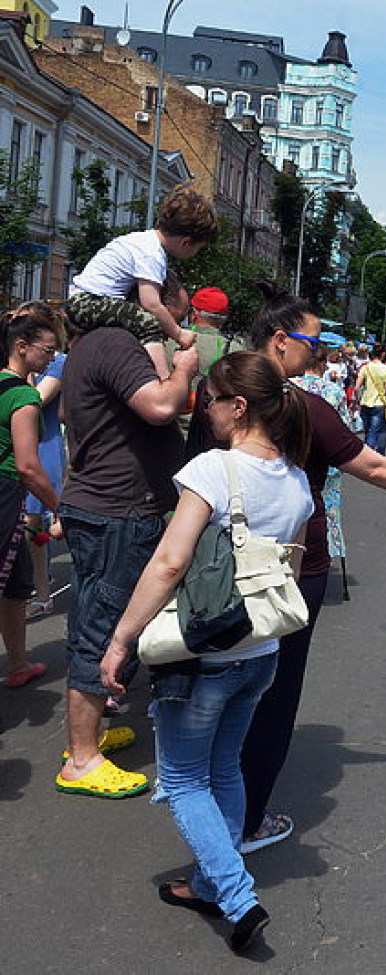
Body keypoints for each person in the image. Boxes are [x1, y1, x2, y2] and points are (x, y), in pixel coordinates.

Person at [186, 284, 386, 852]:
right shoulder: (303, 405)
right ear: (280, 342)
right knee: (273, 692)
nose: (319, 352)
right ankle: (246, 820)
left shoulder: (217, 396)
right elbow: (371, 465)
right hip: (292, 570)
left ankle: (204, 798)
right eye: (312, 341)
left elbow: (191, 477)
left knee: (220, 683)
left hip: (219, 567)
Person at [101, 352, 314, 954]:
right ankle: (206, 882)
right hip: (261, 650)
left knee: (184, 779)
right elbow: (286, 568)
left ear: (238, 406)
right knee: (224, 769)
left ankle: (237, 895)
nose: (204, 409)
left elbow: (169, 564)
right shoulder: (297, 481)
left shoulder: (215, 470)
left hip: (203, 655)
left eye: (211, 399)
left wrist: (121, 640)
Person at [57, 278, 199, 798]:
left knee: (98, 618)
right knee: (104, 626)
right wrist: (182, 369)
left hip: (107, 507)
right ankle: (82, 759)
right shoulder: (116, 343)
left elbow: (76, 415)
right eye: (176, 315)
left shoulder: (90, 345)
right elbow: (162, 407)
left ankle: (86, 736)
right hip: (117, 511)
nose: (178, 329)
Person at [65, 188, 217, 378]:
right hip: (88, 303)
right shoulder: (151, 252)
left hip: (85, 300)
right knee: (148, 322)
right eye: (198, 249)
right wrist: (178, 333)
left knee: (137, 318)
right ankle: (162, 379)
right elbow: (151, 303)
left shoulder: (143, 241)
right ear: (186, 242)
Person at [0, 306, 64, 687]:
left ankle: (19, 662)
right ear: (22, 347)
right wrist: (59, 507)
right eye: (47, 349)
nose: (52, 358)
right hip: (6, 496)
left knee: (15, 584)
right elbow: (27, 465)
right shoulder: (23, 396)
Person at [22, 304, 68, 622]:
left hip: (44, 451)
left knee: (33, 527)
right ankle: (34, 584)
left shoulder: (58, 362)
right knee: (24, 527)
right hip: (18, 450)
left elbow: (34, 401)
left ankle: (41, 593)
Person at [292, 345, 348, 563]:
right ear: (323, 363)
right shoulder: (334, 391)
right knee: (327, 509)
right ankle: (324, 550)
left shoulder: (289, 385)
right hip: (326, 458)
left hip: (294, 457)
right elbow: (345, 430)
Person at [356, 344, 386, 454]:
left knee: (368, 431)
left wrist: (359, 401)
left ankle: (368, 453)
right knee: (374, 432)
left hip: (365, 402)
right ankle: (371, 456)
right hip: (379, 404)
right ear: (383, 355)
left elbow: (357, 387)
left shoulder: (365, 367)